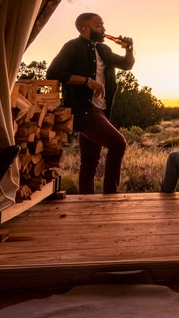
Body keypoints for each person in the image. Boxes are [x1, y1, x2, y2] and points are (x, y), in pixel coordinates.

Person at [47, 12, 134, 194]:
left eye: (103, 25)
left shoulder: (104, 50)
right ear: (85, 28)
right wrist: (87, 81)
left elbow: (127, 65)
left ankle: (85, 201)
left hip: (101, 110)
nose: (103, 29)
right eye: (99, 26)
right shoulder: (73, 47)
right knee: (118, 144)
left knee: (89, 162)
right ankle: (111, 195)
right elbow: (53, 73)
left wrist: (129, 49)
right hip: (83, 110)